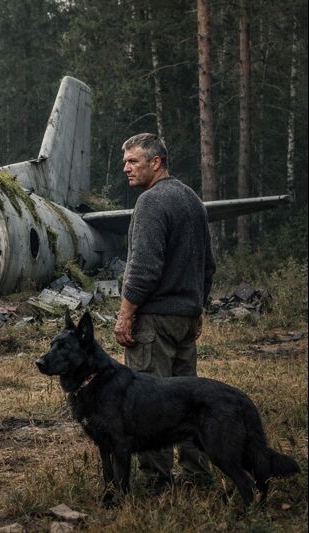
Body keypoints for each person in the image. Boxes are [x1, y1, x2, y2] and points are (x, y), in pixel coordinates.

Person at [114, 133, 215, 488]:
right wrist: (197, 308)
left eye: (133, 161)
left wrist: (125, 314)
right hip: (185, 319)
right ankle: (196, 476)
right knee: (187, 403)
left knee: (148, 402)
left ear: (155, 162)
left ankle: (156, 479)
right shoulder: (192, 199)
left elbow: (143, 268)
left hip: (155, 321)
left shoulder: (151, 202)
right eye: (125, 161)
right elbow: (208, 265)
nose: (125, 168)